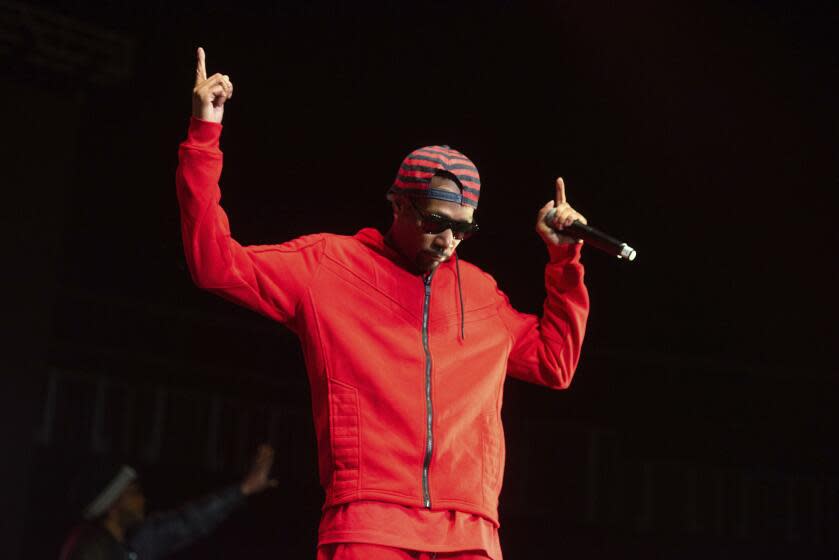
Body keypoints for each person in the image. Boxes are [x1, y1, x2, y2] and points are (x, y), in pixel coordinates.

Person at [176, 47, 589, 560]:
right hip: (369, 520)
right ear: (398, 203)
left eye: (463, 229)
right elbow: (215, 263)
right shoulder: (330, 266)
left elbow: (555, 363)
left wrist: (564, 261)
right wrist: (204, 135)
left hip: (471, 531)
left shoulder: (482, 294)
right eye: (436, 222)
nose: (448, 241)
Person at [60, 445, 277, 560]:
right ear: (112, 504)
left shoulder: (137, 541)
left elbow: (188, 522)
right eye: (133, 493)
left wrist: (244, 488)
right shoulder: (89, 550)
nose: (142, 499)